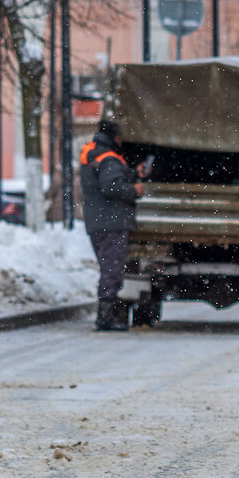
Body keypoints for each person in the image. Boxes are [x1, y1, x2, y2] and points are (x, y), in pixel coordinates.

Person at [80, 120, 149, 331]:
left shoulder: (96, 154)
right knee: (112, 269)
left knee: (109, 267)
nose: (121, 141)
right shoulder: (109, 159)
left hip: (99, 220)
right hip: (111, 222)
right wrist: (134, 191)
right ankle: (106, 317)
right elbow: (112, 187)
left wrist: (134, 174)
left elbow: (110, 179)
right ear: (113, 137)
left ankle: (106, 313)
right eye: (119, 137)